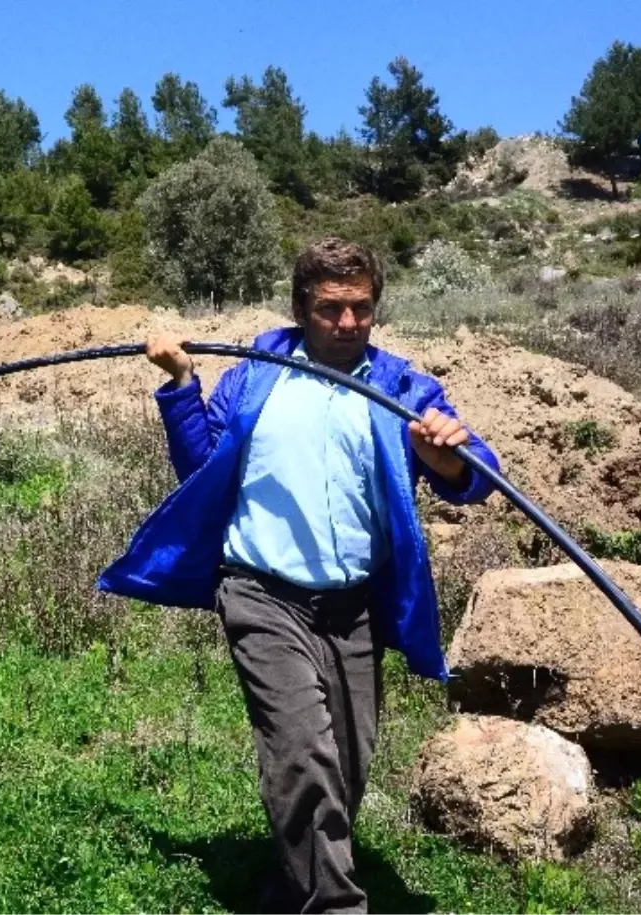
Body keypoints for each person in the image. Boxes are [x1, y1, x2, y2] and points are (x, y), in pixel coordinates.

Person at [97, 237, 501, 914]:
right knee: (302, 758)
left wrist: (449, 457)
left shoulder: (400, 388)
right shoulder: (258, 374)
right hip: (261, 593)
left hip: (354, 609)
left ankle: (289, 888)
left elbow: (472, 473)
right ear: (299, 308)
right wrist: (180, 385)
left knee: (345, 765)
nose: (347, 324)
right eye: (330, 309)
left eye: (361, 309)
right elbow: (200, 462)